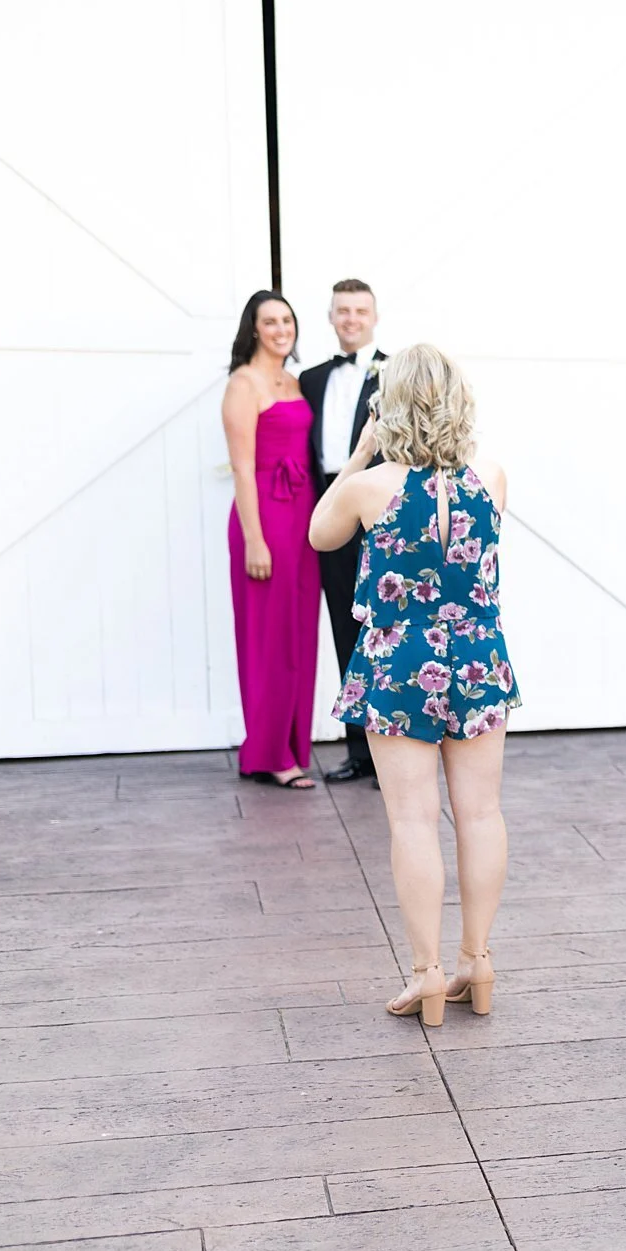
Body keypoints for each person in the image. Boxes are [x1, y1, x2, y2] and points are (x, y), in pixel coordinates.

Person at [307, 345, 519, 1027]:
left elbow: (319, 534)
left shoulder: (373, 486)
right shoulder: (491, 475)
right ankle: (476, 960)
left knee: (411, 818)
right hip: (478, 655)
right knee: (481, 812)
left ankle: (428, 973)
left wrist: (359, 453)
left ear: (387, 405)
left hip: (401, 661)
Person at [223, 290, 319, 790]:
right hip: (264, 514)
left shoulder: (295, 381)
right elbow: (241, 467)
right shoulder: (244, 383)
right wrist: (254, 539)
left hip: (303, 517)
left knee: (300, 634)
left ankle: (294, 746)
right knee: (269, 637)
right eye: (270, 321)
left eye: (287, 320)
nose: (282, 328)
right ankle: (267, 752)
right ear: (254, 329)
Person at [299, 279, 389, 785]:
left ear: (374, 316)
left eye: (360, 310)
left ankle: (393, 748)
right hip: (332, 505)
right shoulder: (311, 379)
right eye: (342, 311)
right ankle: (360, 751)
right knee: (344, 629)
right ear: (331, 318)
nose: (351, 319)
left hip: (379, 507)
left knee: (386, 627)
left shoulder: (397, 371)